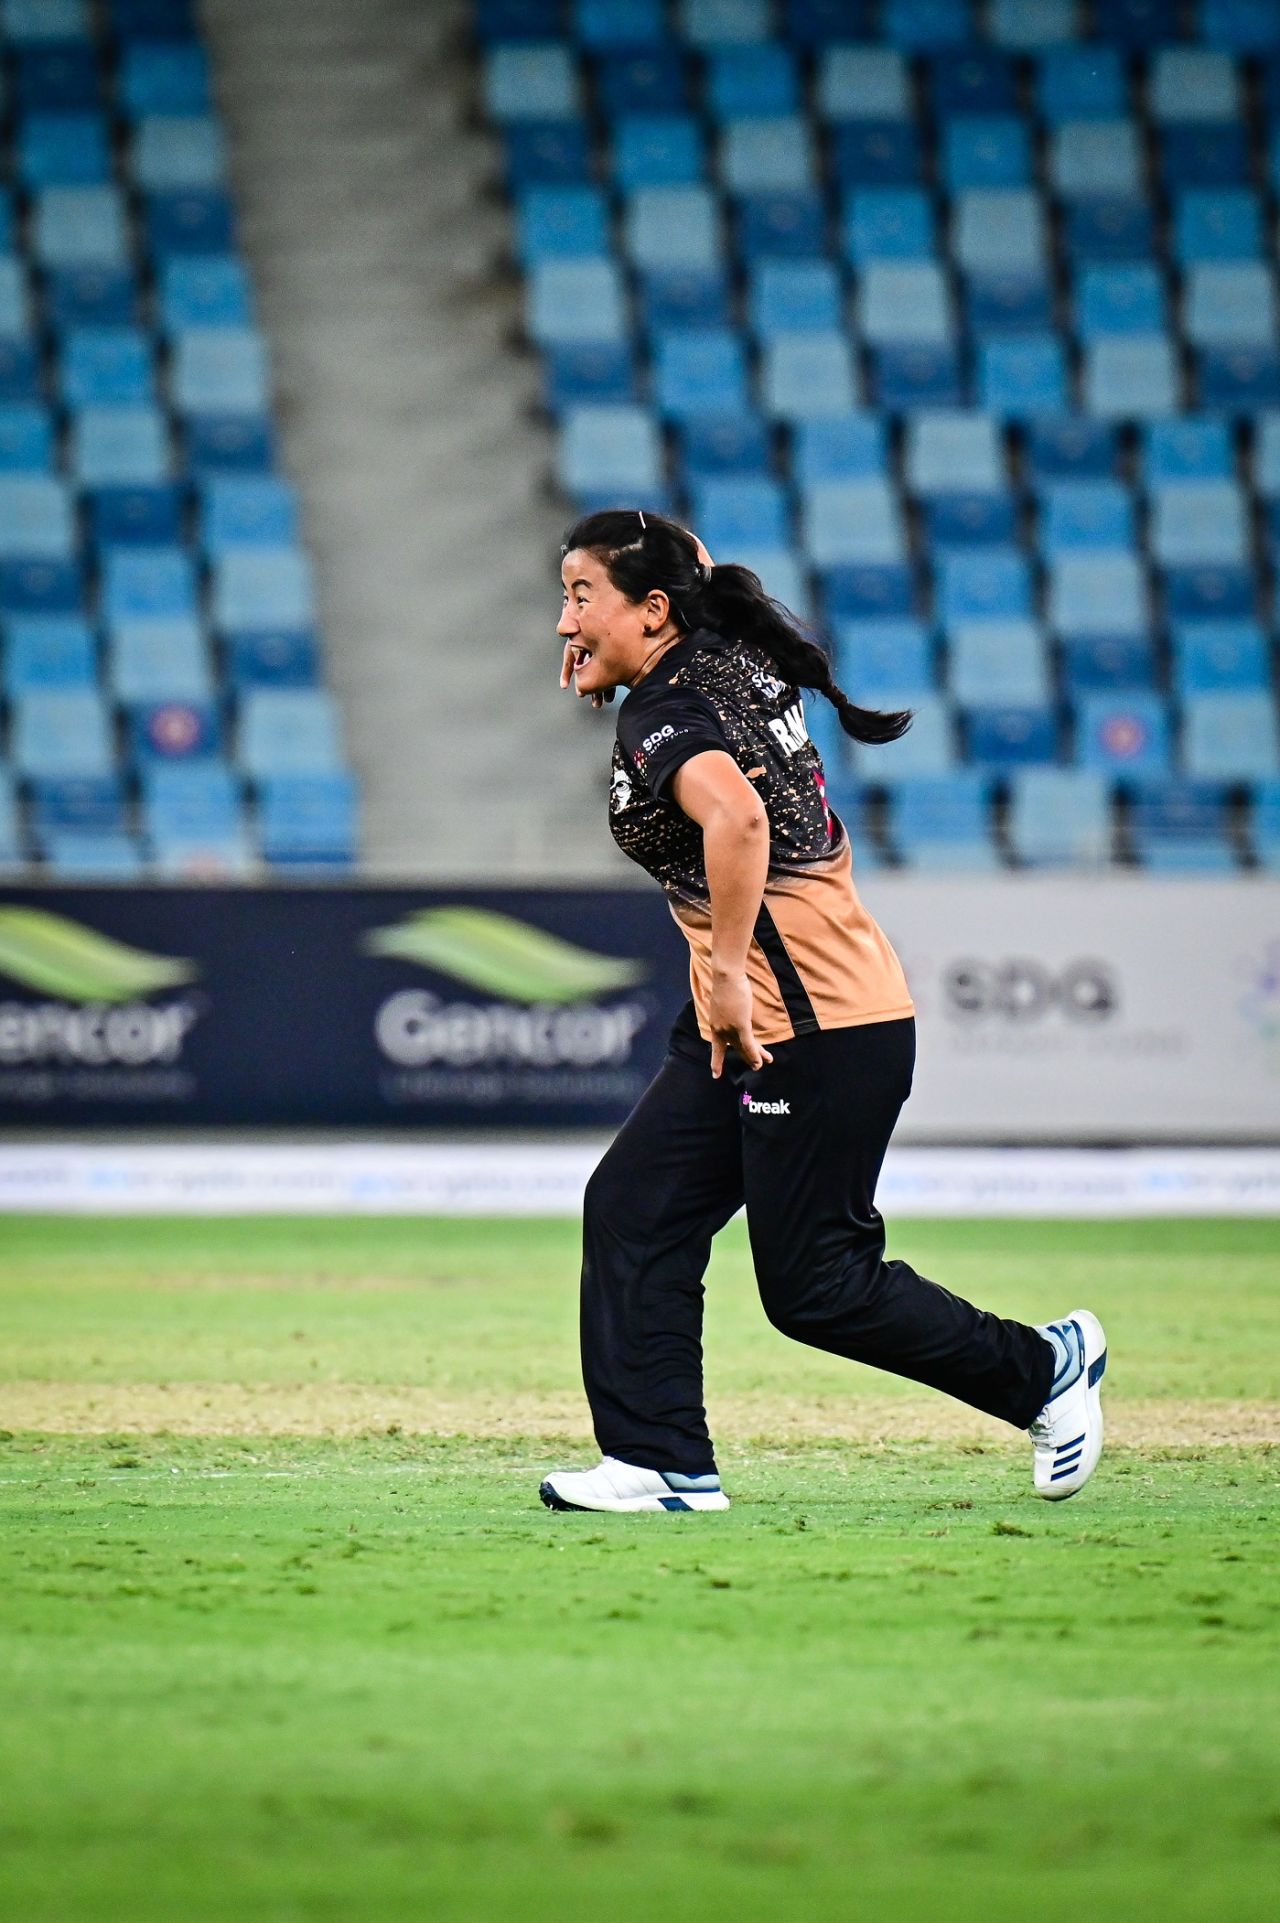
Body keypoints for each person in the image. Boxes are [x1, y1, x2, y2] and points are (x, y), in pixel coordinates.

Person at [539, 510, 1106, 1516]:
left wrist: (719, 975)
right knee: (632, 1209)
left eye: (582, 594)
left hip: (806, 1030)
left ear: (652, 608)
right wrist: (623, 570)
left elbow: (739, 817)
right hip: (763, 1022)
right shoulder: (717, 650)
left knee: (817, 1289)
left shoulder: (663, 708)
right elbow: (689, 553)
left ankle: (1043, 1369)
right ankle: (660, 1462)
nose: (561, 622)